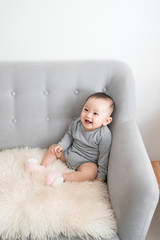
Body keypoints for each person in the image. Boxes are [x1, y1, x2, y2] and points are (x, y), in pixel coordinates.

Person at [26, 92, 115, 186]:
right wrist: (61, 146)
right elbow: (69, 135)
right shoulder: (77, 123)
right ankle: (42, 167)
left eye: (95, 113)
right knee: (54, 147)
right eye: (86, 109)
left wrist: (101, 175)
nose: (88, 115)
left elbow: (104, 156)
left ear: (106, 121)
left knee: (91, 173)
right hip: (70, 153)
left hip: (86, 162)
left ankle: (62, 177)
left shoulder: (104, 135)